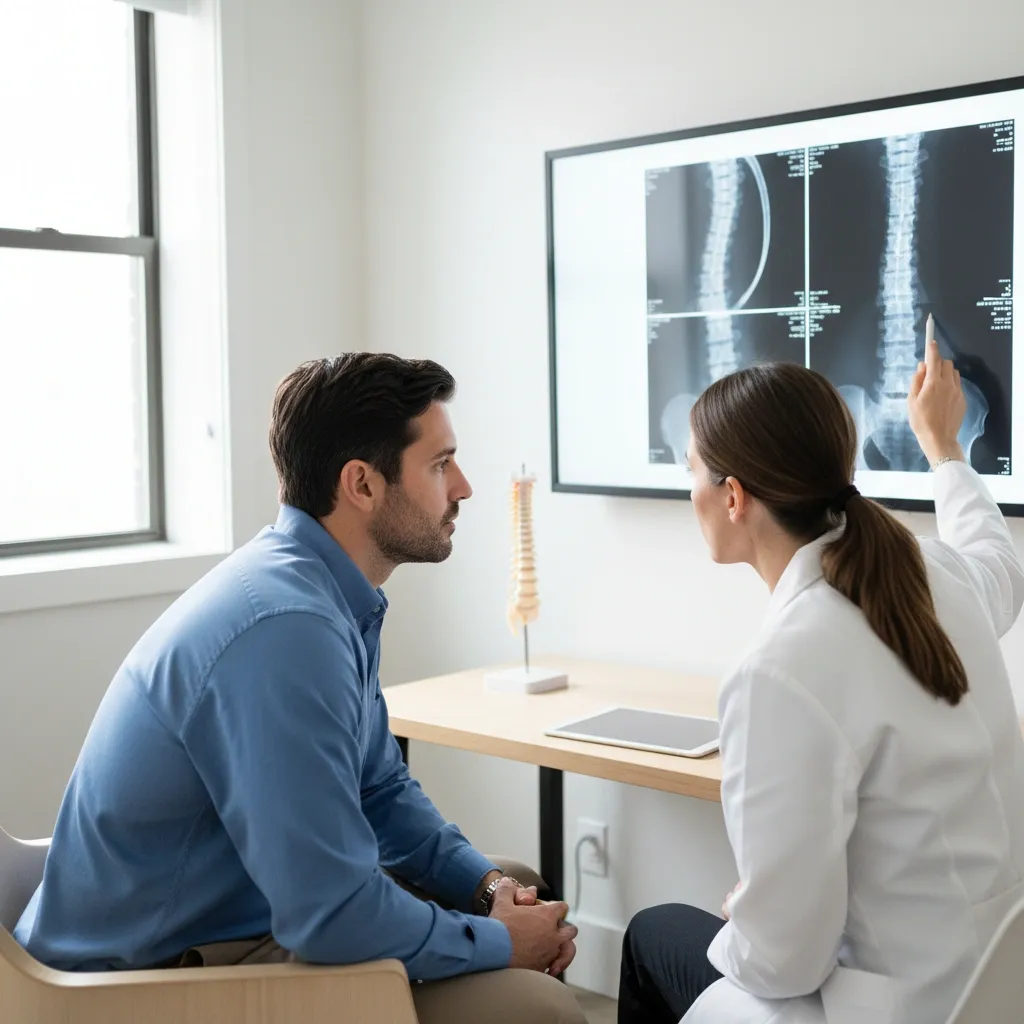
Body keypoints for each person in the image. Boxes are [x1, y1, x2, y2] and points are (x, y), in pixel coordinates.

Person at [15, 353, 584, 1024]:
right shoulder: (287, 631)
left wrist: (488, 886)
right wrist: (497, 942)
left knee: (514, 876)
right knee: (540, 1008)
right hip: (142, 983)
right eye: (440, 464)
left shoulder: (316, 590)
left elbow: (378, 789)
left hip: (236, 914)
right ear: (362, 485)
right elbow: (331, 914)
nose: (463, 486)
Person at [619, 340, 1024, 1024]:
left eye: (690, 470)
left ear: (734, 497)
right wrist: (944, 448)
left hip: (892, 1011)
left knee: (654, 933)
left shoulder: (778, 672)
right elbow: (998, 563)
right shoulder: (931, 574)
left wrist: (745, 918)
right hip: (995, 991)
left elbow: (784, 961)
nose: (688, 490)